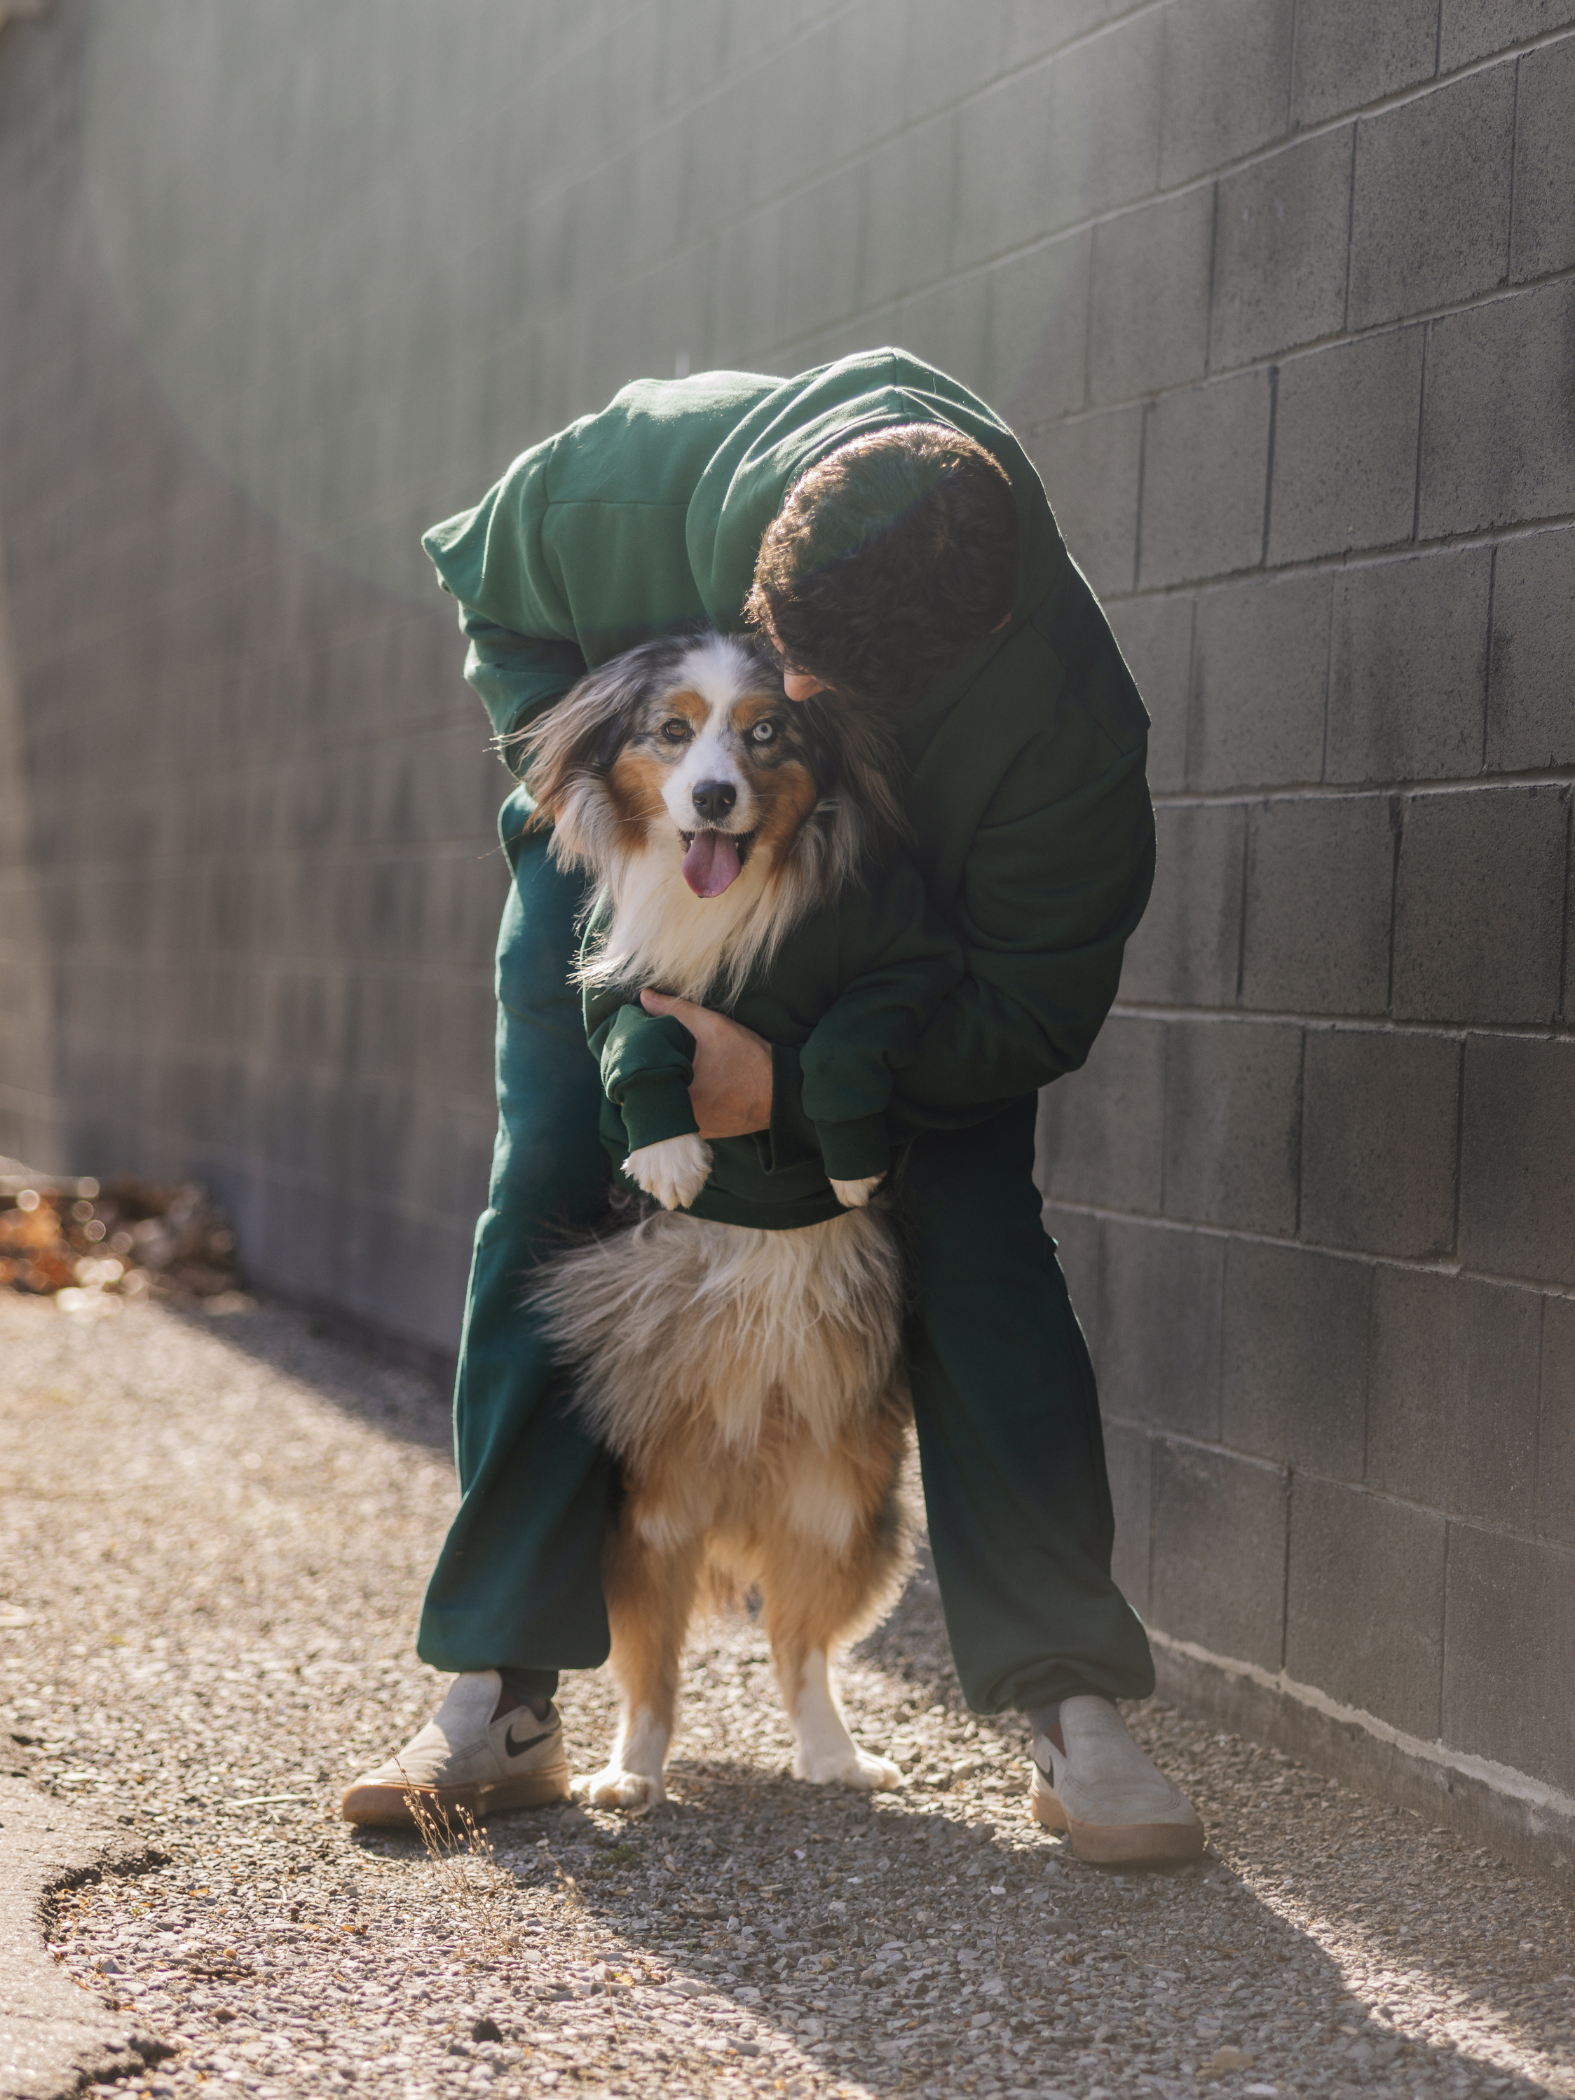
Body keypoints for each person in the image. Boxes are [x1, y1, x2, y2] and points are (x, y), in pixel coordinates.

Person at [341, 350, 1203, 1865]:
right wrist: (582, 803)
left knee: (977, 1227)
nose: (795, 710)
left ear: (979, 643)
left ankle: (1072, 1705)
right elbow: (500, 603)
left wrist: (795, 1088)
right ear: (755, 561)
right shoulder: (637, 474)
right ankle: (501, 1686)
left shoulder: (1067, 728)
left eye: (831, 700)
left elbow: (1029, 1015)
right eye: (782, 659)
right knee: (550, 1165)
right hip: (650, 871)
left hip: (901, 948)